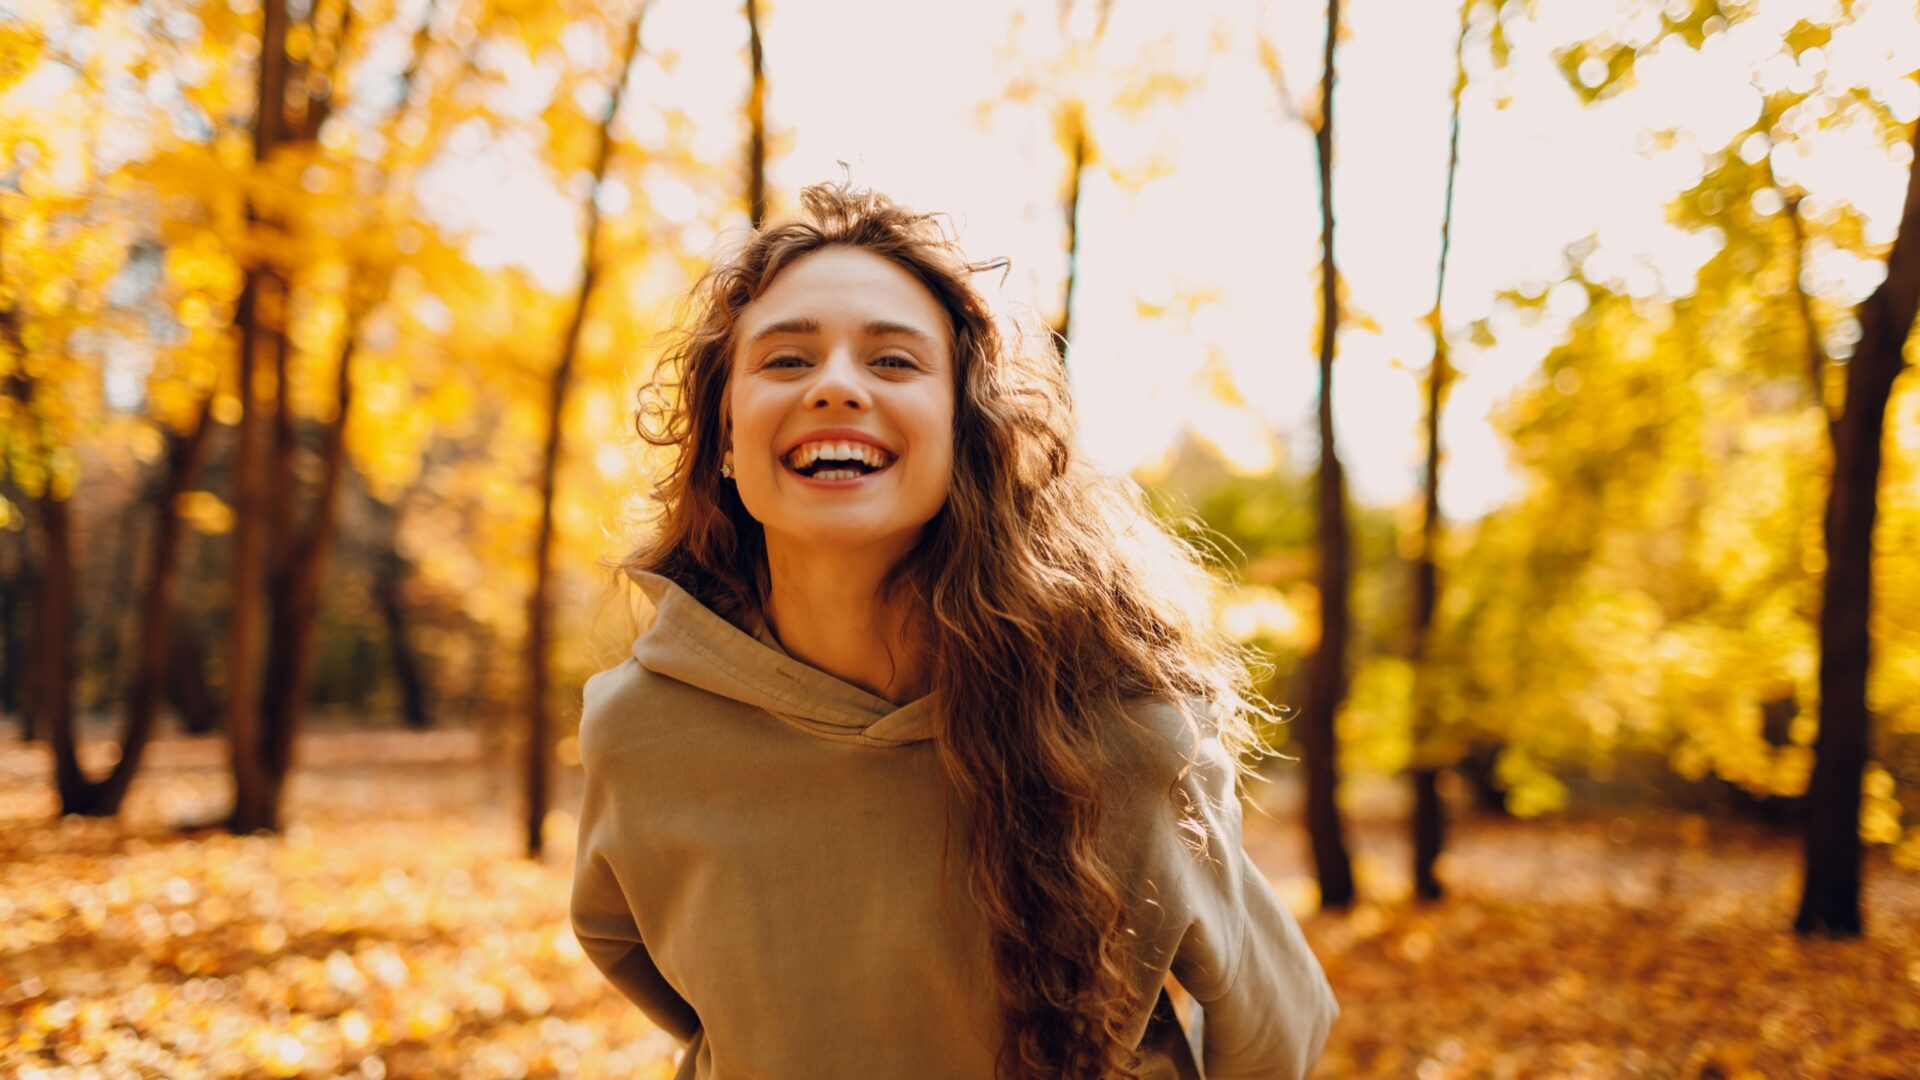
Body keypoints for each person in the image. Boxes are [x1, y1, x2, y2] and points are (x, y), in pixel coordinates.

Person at [569, 181, 1339, 1080]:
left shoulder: (1119, 729)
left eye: (894, 362)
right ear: (727, 440)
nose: (836, 386)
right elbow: (656, 973)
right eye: (785, 361)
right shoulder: (639, 729)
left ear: (964, 433)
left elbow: (1274, 1028)